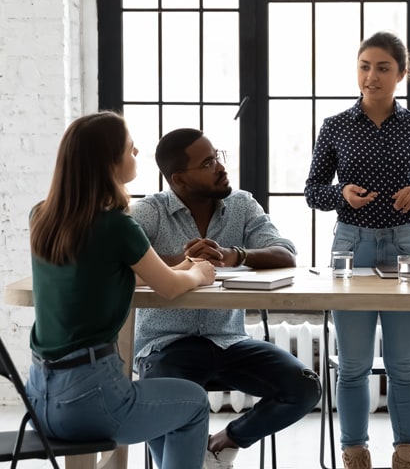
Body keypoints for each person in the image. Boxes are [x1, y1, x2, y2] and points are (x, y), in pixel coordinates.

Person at [26, 111, 215, 469]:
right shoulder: (116, 226)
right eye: (130, 149)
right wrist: (199, 273)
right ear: (109, 163)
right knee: (193, 403)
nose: (137, 152)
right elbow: (171, 288)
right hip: (90, 399)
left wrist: (178, 267)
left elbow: (103, 273)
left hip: (39, 399)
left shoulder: (42, 217)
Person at [131, 128, 322, 469]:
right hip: (165, 345)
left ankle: (223, 443)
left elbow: (286, 253)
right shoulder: (150, 212)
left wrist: (238, 255)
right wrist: (183, 260)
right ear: (180, 180)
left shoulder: (241, 205)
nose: (220, 167)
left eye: (217, 156)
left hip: (227, 341)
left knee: (304, 388)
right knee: (169, 406)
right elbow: (119, 264)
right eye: (208, 163)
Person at [305, 30, 410, 469]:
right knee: (353, 364)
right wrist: (340, 194)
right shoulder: (335, 126)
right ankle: (354, 449)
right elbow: (312, 191)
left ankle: (407, 448)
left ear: (402, 74)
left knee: (404, 363)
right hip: (351, 245)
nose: (372, 76)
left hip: (406, 244)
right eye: (365, 66)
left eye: (383, 67)